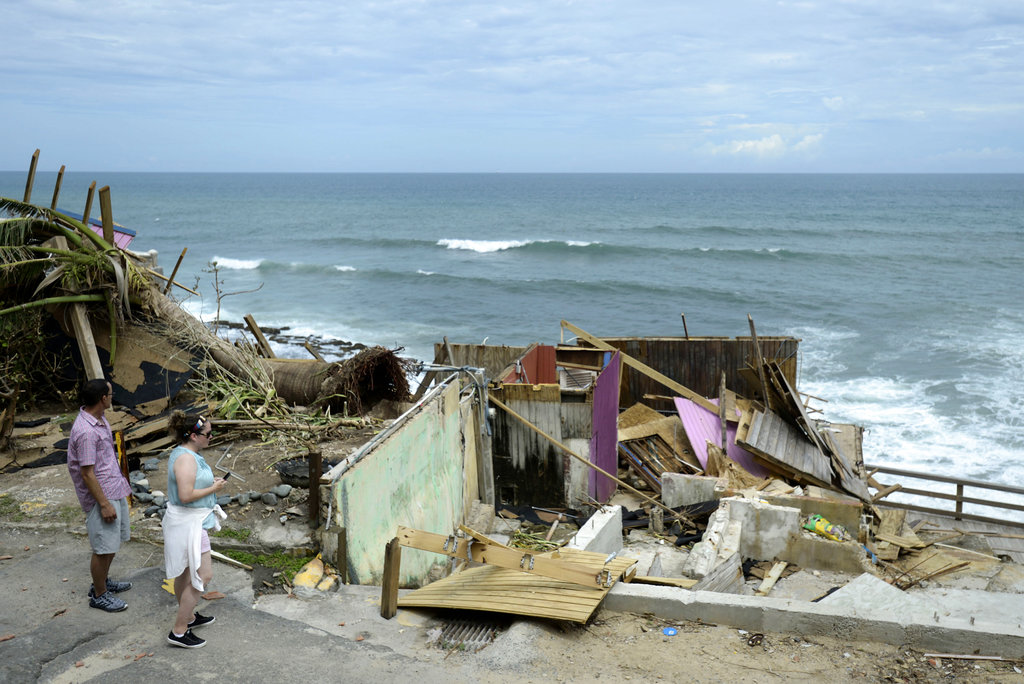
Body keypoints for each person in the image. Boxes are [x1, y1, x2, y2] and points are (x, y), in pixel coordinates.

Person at [67, 378, 133, 612]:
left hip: (113, 487)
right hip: (101, 495)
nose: (112, 398)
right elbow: (87, 474)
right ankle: (99, 594)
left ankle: (102, 582)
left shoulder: (98, 419)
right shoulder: (85, 431)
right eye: (111, 394)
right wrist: (104, 504)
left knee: (112, 542)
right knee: (103, 546)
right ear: (102, 399)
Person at [162, 411, 227, 649]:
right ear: (192, 435)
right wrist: (214, 489)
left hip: (191, 521)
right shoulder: (186, 459)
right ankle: (179, 631)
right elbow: (186, 495)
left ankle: (189, 617)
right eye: (208, 434)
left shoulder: (188, 453)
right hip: (188, 523)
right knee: (203, 574)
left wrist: (210, 483)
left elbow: (191, 484)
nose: (211, 437)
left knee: (186, 573)